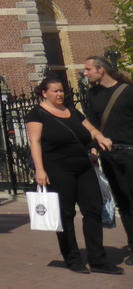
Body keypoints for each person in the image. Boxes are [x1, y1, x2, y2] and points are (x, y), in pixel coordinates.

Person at [27, 73, 122, 274]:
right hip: (57, 169)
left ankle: (98, 260)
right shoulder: (37, 114)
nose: (60, 94)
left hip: (83, 166)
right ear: (44, 93)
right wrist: (40, 169)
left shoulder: (73, 112)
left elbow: (91, 130)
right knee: (66, 214)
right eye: (55, 91)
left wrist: (100, 139)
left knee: (93, 209)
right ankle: (73, 259)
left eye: (62, 90)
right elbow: (34, 142)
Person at [84, 55, 133, 265]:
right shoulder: (92, 94)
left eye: (88, 69)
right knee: (123, 202)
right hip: (109, 155)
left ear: (101, 70)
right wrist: (94, 151)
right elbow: (94, 127)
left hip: (130, 152)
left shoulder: (128, 91)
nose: (85, 73)